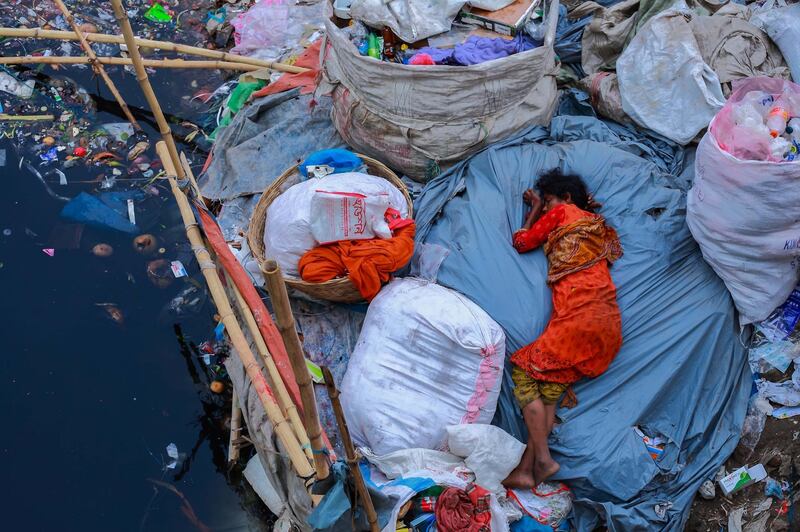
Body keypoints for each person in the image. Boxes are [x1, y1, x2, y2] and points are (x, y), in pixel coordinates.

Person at [503, 169, 623, 489]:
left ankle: (543, 458)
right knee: (550, 386)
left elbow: (523, 241)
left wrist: (534, 211)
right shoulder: (596, 225)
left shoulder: (562, 212)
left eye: (550, 201)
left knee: (523, 370)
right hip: (607, 323)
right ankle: (527, 469)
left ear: (564, 199)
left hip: (578, 316)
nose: (547, 208)